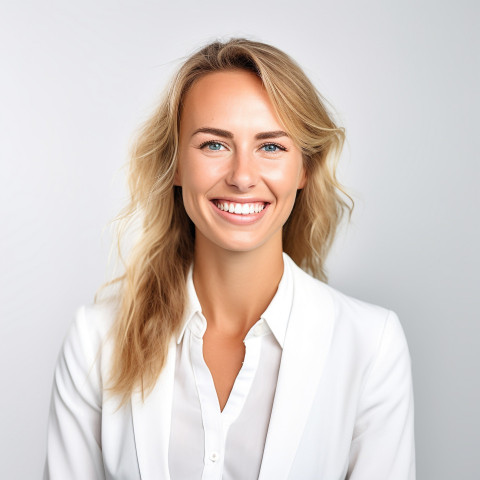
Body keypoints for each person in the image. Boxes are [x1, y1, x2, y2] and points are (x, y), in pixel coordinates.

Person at [44, 38, 415, 479]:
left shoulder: (371, 346)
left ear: (305, 169)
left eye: (271, 147)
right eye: (214, 145)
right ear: (176, 165)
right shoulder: (96, 341)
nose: (242, 177)